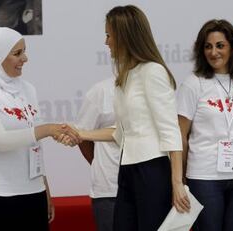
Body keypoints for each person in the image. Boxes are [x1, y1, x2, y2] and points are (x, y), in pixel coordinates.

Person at [58, 5, 191, 230]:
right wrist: (79, 133)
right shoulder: (125, 77)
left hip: (151, 170)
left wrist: (177, 183)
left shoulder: (153, 71)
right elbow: (120, 132)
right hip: (127, 169)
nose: (106, 41)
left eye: (109, 35)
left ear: (124, 36)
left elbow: (170, 130)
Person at [0, 27, 80, 231]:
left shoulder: (27, 89)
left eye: (24, 51)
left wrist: (44, 189)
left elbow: (33, 144)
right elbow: (0, 141)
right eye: (17, 53)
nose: (24, 58)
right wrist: (48, 129)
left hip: (32, 192)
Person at [177, 19, 233, 231]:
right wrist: (180, 179)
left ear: (232, 47)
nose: (213, 52)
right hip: (204, 177)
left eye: (220, 45)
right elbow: (180, 136)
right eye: (208, 46)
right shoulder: (193, 83)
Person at [74, 78, 120, 231]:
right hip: (109, 188)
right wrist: (98, 163)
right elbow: (82, 136)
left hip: (145, 185)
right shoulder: (101, 91)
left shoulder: (152, 86)